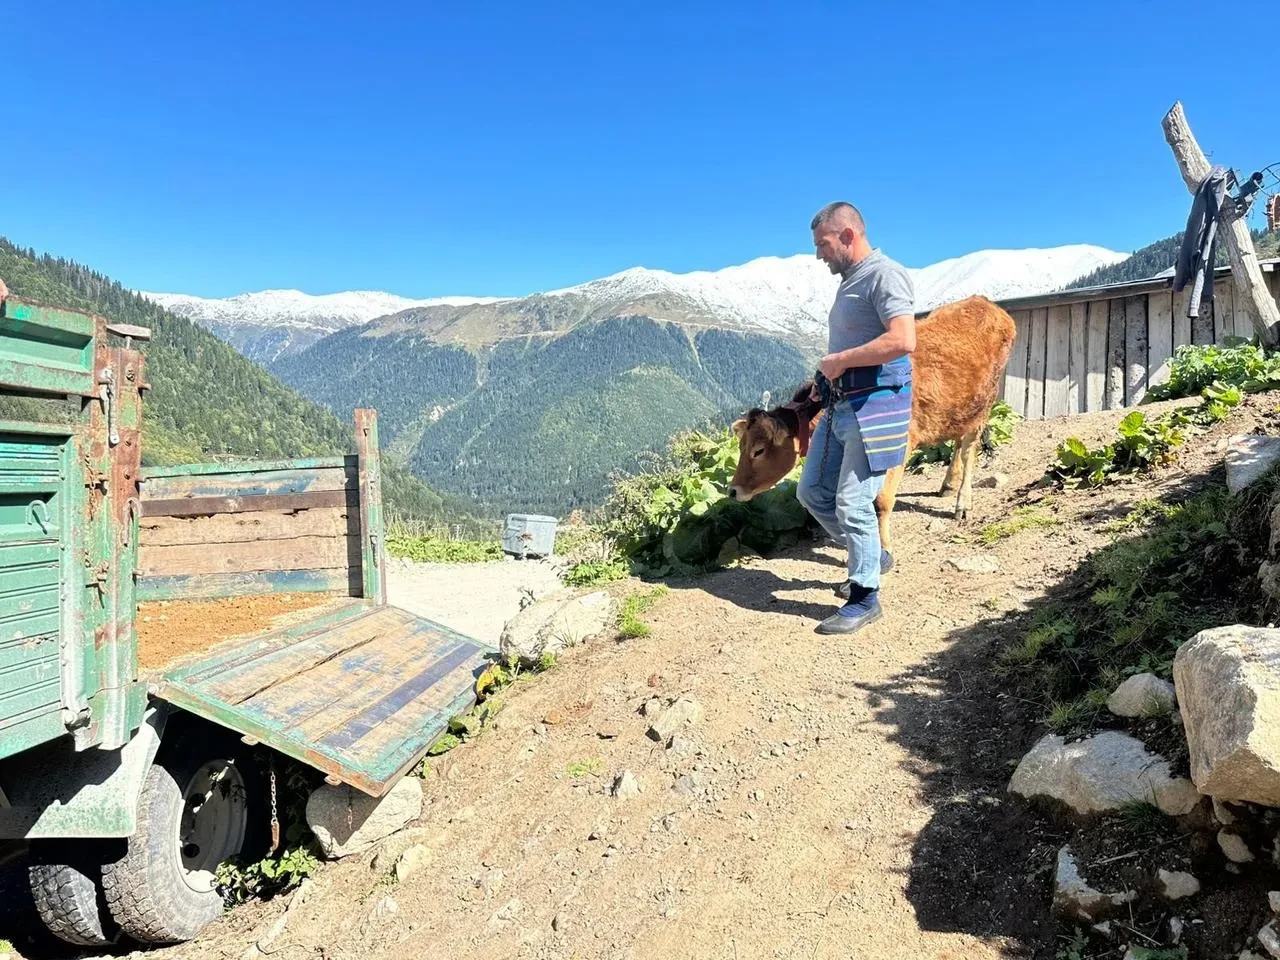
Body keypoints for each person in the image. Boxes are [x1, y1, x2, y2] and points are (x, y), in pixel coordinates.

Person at [796, 202, 916, 636]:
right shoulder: (852, 281)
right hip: (841, 404)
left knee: (852, 501)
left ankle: (865, 597)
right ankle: (872, 557)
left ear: (847, 235)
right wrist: (826, 379)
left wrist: (841, 359)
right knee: (811, 492)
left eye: (822, 245)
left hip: (875, 408)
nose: (818, 255)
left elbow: (903, 339)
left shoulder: (884, 275)